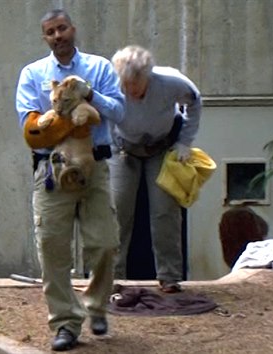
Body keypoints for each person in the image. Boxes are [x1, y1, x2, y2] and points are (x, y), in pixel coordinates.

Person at [15, 9, 125, 352]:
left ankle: (96, 306)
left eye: (62, 28)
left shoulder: (100, 68)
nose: (57, 36)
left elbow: (118, 112)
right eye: (50, 32)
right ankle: (65, 324)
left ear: (73, 29)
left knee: (105, 243)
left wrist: (88, 95)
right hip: (51, 171)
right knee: (52, 249)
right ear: (45, 37)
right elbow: (31, 129)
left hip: (97, 168)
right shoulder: (33, 74)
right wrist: (67, 122)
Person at [108, 45, 202, 293]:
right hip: (123, 149)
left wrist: (185, 142)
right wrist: (108, 145)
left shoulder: (170, 81)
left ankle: (169, 276)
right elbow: (101, 111)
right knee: (117, 210)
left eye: (136, 85)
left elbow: (195, 102)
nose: (130, 91)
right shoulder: (110, 83)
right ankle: (111, 276)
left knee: (164, 211)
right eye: (125, 85)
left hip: (161, 148)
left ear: (148, 76)